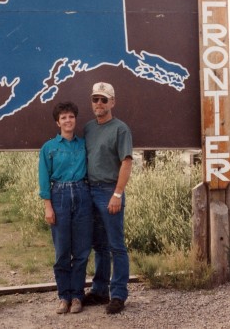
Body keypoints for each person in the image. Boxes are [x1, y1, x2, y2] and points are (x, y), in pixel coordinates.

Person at [38, 101, 93, 315]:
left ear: (75, 119)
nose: (68, 120)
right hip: (59, 195)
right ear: (57, 122)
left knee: (81, 251)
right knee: (62, 251)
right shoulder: (49, 148)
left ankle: (77, 296)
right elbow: (44, 179)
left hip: (82, 193)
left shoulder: (83, 144)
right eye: (63, 118)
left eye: (71, 116)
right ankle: (63, 297)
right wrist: (48, 207)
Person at [83, 82, 133, 314]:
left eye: (104, 99)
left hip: (109, 192)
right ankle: (100, 290)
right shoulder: (88, 129)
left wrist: (117, 194)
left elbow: (126, 162)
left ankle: (119, 294)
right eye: (96, 99)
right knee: (99, 245)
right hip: (89, 190)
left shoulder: (120, 129)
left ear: (112, 102)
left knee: (116, 245)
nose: (99, 104)